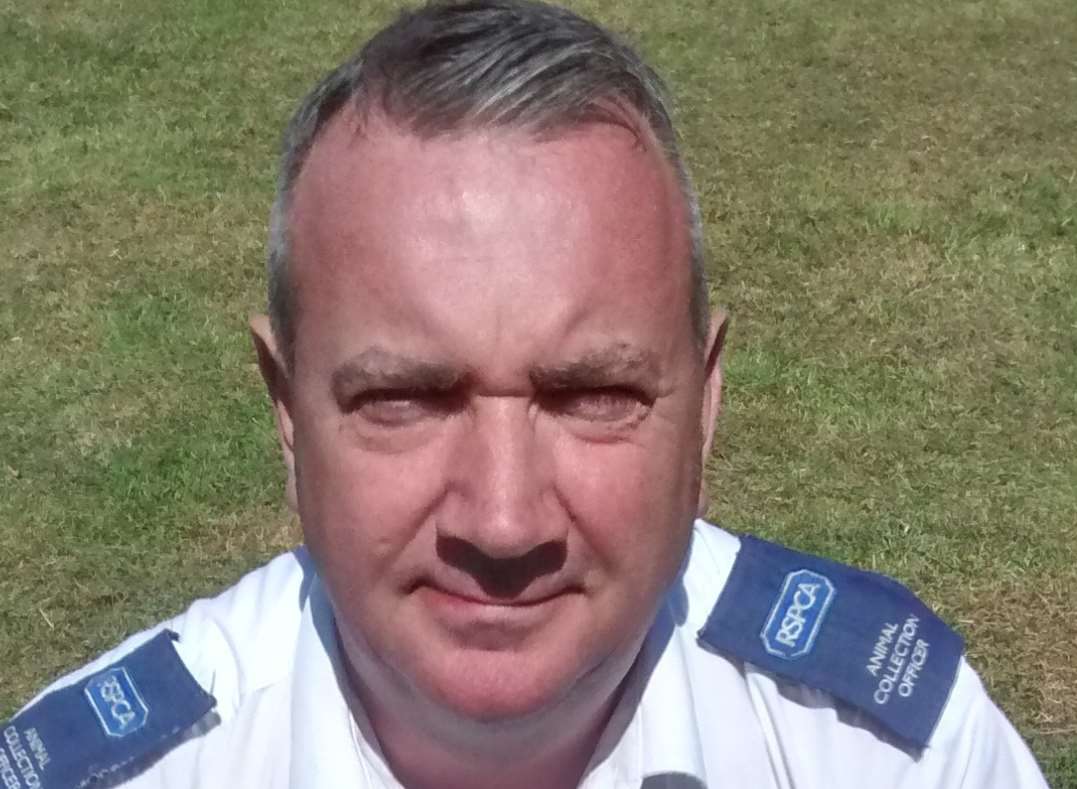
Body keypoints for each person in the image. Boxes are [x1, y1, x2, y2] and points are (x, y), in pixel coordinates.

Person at [2, 1, 1049, 787]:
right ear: (285, 409)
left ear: (708, 402)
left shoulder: (889, 755)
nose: (503, 521)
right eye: (405, 398)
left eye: (593, 393)